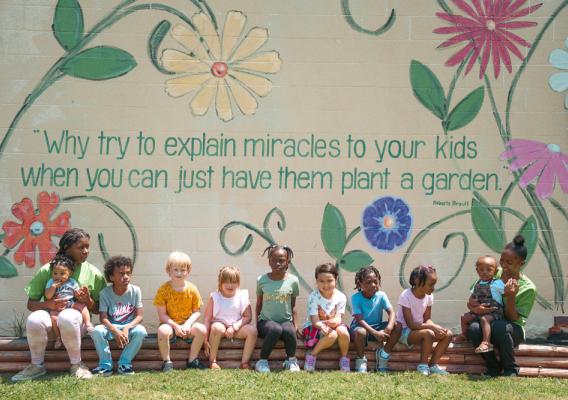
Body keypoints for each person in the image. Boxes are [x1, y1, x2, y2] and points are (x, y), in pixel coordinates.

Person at [11, 228, 106, 382]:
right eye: (81, 247)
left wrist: (87, 300)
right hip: (52, 320)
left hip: (75, 323)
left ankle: (77, 365)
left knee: (68, 316)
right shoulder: (47, 270)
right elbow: (31, 304)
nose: (86, 251)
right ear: (67, 247)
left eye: (87, 246)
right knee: (34, 319)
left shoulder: (93, 273)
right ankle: (36, 366)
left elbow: (99, 309)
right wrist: (50, 304)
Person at [467, 235, 536, 377]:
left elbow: (512, 318)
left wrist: (511, 297)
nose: (503, 266)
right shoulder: (493, 272)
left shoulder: (527, 287)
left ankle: (510, 368)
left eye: (509, 263)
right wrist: (474, 307)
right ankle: (493, 367)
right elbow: (473, 298)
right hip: (489, 322)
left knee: (500, 326)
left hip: (512, 329)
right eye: (502, 261)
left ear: (521, 263)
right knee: (473, 329)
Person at [91, 256, 147, 376]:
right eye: (121, 274)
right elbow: (103, 318)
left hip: (129, 328)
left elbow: (140, 316)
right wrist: (115, 330)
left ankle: (124, 364)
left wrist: (127, 328)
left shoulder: (135, 290)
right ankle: (105, 366)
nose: (125, 276)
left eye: (128, 273)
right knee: (97, 330)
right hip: (112, 327)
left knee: (141, 331)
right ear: (111, 277)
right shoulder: (105, 293)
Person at [154, 251, 207, 371]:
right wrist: (176, 327)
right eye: (175, 269)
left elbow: (197, 311)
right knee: (162, 331)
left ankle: (192, 360)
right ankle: (167, 362)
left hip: (188, 326)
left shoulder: (192, 289)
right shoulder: (163, 290)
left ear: (188, 271)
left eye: (183, 270)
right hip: (170, 326)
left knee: (202, 329)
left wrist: (187, 324)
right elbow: (162, 315)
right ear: (168, 270)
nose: (179, 273)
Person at [396, 264, 453, 376]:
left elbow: (427, 319)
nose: (433, 288)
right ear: (418, 281)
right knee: (428, 333)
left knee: (448, 334)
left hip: (420, 329)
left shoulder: (429, 296)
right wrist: (432, 327)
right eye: (431, 285)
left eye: (434, 285)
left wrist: (437, 327)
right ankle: (423, 365)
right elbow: (411, 325)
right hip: (405, 332)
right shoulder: (405, 296)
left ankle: (433, 365)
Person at [255, 244, 300, 373]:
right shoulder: (261, 280)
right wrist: (257, 323)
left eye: (281, 260)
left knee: (288, 329)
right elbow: (258, 304)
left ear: (288, 262)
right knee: (275, 329)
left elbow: (293, 305)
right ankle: (262, 362)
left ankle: (291, 361)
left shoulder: (293, 281)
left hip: (285, 321)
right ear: (269, 261)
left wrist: (296, 326)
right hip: (266, 322)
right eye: (274, 260)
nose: (277, 263)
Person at [203, 266, 257, 370]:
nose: (230, 285)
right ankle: (212, 361)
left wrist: (234, 327)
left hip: (237, 327)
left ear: (238, 283)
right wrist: (205, 340)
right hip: (220, 328)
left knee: (252, 331)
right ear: (220, 283)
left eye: (233, 282)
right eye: (226, 282)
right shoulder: (215, 297)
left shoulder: (242, 296)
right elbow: (207, 319)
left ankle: (244, 363)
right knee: (216, 327)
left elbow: (248, 316)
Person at [350, 265, 401, 373]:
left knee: (398, 326)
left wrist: (388, 329)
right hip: (361, 328)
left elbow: (391, 312)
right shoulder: (356, 298)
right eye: (368, 282)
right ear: (360, 284)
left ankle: (383, 355)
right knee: (360, 331)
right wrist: (375, 333)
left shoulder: (381, 295)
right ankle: (361, 359)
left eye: (375, 282)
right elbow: (359, 320)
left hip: (377, 328)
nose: (373, 285)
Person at [302, 263, 350, 372]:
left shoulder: (341, 297)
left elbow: (339, 318)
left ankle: (344, 359)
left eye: (329, 280)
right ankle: (312, 356)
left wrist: (334, 322)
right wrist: (323, 326)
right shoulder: (313, 297)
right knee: (332, 335)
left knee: (343, 332)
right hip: (315, 326)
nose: (326, 284)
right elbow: (315, 321)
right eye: (321, 281)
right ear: (316, 281)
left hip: (333, 324)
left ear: (336, 280)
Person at [453, 256, 504, 354]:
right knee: (464, 317)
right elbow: (472, 298)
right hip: (478, 310)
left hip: (493, 311)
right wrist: (473, 303)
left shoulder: (497, 283)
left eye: (489, 270)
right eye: (481, 270)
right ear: (477, 270)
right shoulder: (477, 283)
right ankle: (464, 335)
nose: (485, 272)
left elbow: (506, 292)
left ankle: (486, 342)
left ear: (495, 271)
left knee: (484, 320)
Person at [44, 254, 94, 349]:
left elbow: (76, 294)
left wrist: (79, 294)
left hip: (70, 302)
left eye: (62, 274)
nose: (58, 276)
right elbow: (48, 295)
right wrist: (53, 287)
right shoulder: (51, 282)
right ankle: (59, 337)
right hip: (57, 305)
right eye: (55, 273)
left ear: (69, 273)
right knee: (54, 318)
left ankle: (88, 323)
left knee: (82, 306)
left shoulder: (72, 282)